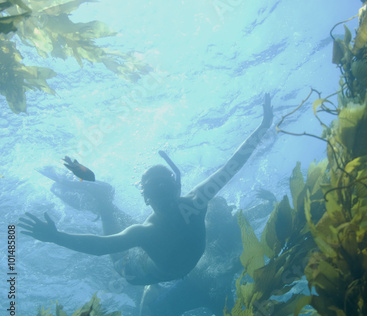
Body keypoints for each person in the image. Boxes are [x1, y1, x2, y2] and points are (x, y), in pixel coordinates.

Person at [19, 93, 274, 285]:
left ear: (175, 187)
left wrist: (262, 127)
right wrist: (55, 237)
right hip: (131, 268)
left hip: (154, 254)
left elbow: (232, 166)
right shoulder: (164, 221)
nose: (162, 194)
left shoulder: (186, 208)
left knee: (117, 220)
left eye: (163, 187)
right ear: (147, 198)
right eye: (156, 190)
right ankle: (101, 199)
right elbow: (100, 246)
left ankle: (102, 198)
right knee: (114, 232)